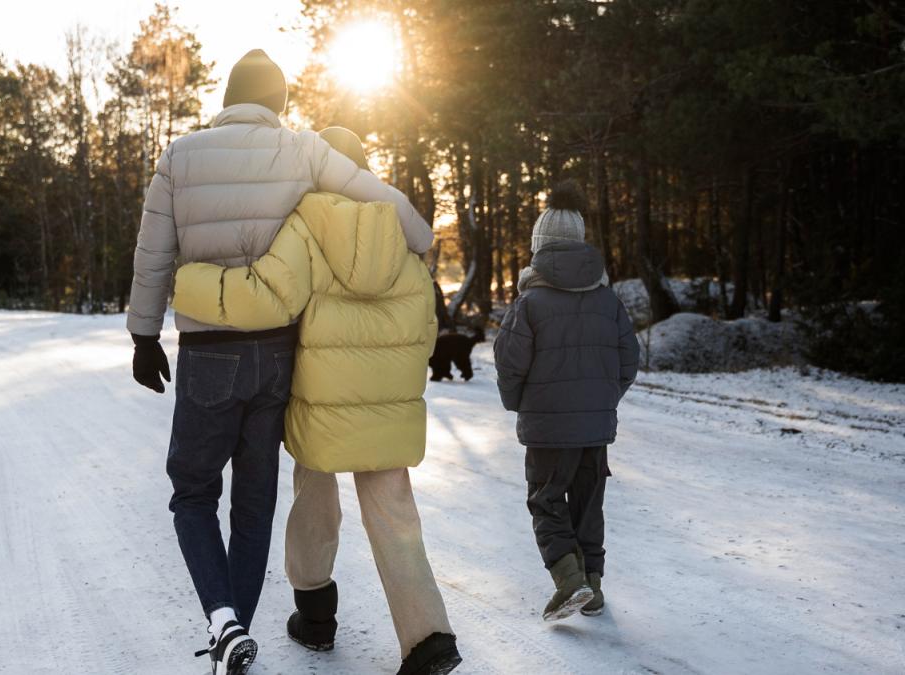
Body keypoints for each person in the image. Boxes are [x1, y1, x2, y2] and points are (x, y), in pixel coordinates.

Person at [126, 50, 432, 675]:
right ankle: (231, 638)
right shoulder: (300, 150)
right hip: (276, 355)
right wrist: (421, 237)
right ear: (281, 105)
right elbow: (373, 195)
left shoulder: (181, 155)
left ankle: (224, 623)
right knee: (256, 501)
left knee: (192, 492)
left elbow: (153, 251)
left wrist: (144, 334)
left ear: (228, 98)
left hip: (210, 351)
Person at [172, 127, 461, 675]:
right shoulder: (400, 228)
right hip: (387, 402)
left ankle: (316, 616)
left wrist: (188, 283)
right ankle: (428, 639)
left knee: (313, 498)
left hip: (317, 397)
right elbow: (426, 326)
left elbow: (268, 296)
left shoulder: (306, 223)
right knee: (395, 515)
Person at [492, 180, 640, 621]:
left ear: (539, 247)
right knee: (588, 503)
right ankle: (592, 587)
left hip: (548, 427)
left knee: (546, 500)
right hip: (595, 428)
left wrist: (521, 403)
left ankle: (569, 580)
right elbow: (628, 361)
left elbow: (509, 363)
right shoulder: (607, 299)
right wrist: (601, 400)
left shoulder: (530, 300)